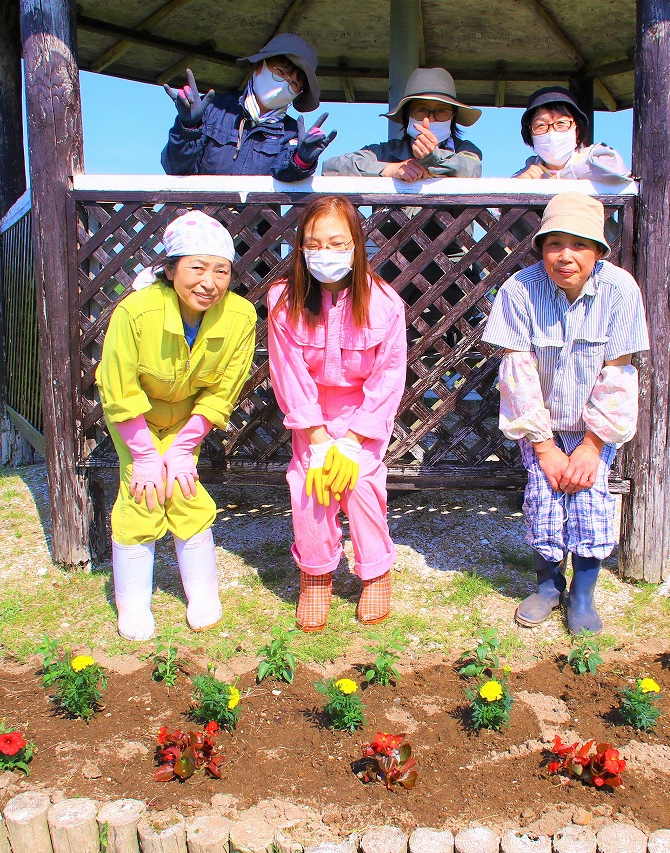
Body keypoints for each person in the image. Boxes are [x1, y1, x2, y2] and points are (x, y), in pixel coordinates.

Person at [481, 192, 649, 635]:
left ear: (598, 250)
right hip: (542, 426)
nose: (566, 256)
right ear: (540, 247)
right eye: (555, 243)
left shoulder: (621, 290)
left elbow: (619, 373)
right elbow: (517, 374)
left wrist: (593, 447)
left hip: (597, 426)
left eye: (580, 244)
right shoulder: (520, 290)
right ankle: (548, 586)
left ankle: (583, 594)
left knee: (591, 498)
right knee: (545, 497)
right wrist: (546, 447)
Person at [96, 211, 258, 639]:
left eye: (221, 271)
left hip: (189, 421)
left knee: (185, 490)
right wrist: (146, 454)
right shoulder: (136, 311)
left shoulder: (240, 316)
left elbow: (224, 388)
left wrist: (184, 447)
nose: (210, 282)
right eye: (197, 268)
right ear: (169, 270)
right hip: (136, 418)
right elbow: (118, 386)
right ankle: (132, 605)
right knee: (142, 492)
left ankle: (202, 593)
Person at [266, 196, 408, 632]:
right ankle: (316, 573)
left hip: (363, 418)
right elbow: (288, 374)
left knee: (361, 483)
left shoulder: (385, 303)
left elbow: (387, 378)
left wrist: (350, 442)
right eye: (314, 243)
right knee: (309, 483)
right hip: (311, 419)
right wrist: (320, 440)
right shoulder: (282, 299)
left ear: (356, 244)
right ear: (301, 248)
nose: (324, 253)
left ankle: (376, 570)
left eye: (336, 243)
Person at [160, 34, 336, 181]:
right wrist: (187, 128)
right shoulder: (213, 109)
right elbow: (176, 168)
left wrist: (301, 161)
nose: (284, 84)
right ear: (259, 66)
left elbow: (284, 173)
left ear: (299, 93)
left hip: (257, 222)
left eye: (294, 83)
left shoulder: (292, 132)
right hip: (200, 219)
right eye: (280, 72)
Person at [322, 67, 482, 179]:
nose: (429, 119)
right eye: (421, 110)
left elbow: (472, 169)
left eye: (441, 111)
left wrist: (434, 158)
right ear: (407, 115)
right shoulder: (386, 152)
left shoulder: (466, 150)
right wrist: (388, 169)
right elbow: (331, 167)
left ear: (453, 116)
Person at [513, 87, 632, 189]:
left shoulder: (592, 156)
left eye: (561, 123)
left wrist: (564, 175)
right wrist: (517, 186)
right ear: (530, 134)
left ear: (577, 130)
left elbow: (618, 172)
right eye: (541, 126)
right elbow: (496, 210)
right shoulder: (530, 169)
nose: (552, 132)